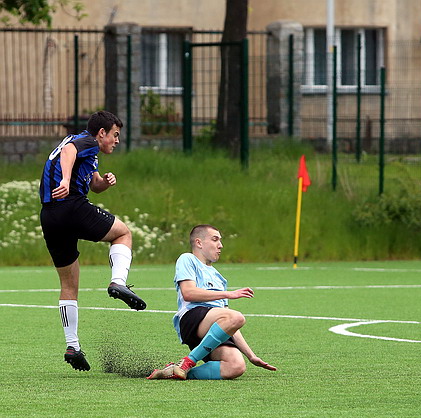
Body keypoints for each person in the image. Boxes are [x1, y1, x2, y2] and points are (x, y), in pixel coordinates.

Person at [39, 110, 147, 372]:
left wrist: (105, 182)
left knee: (69, 284)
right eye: (115, 135)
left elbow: (95, 184)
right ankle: (118, 282)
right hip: (71, 207)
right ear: (101, 133)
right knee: (123, 233)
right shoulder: (86, 141)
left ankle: (72, 346)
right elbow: (69, 153)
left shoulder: (86, 149)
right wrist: (66, 180)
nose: (117, 141)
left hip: (50, 216)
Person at [147, 224, 276, 380]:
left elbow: (231, 324)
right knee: (236, 316)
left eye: (220, 240)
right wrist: (228, 294)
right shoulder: (188, 259)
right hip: (192, 318)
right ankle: (189, 361)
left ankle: (175, 370)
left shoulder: (219, 278)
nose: (220, 245)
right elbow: (188, 293)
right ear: (199, 243)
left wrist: (251, 356)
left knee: (236, 366)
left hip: (214, 325)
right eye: (215, 239)